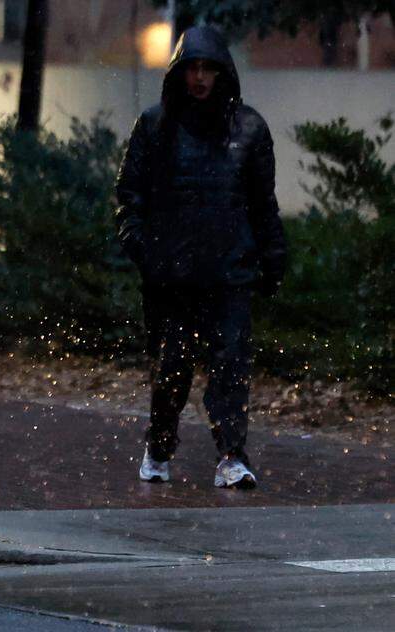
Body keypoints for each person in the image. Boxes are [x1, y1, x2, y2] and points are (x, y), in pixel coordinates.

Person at [114, 25, 288, 489]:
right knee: (172, 368)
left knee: (230, 367)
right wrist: (145, 250)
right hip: (172, 277)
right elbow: (129, 196)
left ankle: (232, 455)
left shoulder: (249, 129)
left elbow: (262, 203)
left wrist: (273, 257)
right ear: (180, 71)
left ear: (222, 72)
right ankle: (159, 446)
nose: (200, 77)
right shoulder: (156, 126)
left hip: (229, 273)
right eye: (193, 67)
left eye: (209, 68)